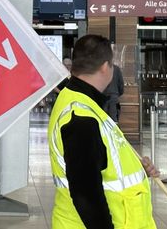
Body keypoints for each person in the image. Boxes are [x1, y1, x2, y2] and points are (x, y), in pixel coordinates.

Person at [49, 34, 159, 229]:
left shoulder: (86, 104)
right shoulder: (80, 117)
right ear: (105, 67)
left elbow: (100, 162)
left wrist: (136, 168)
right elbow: (85, 192)